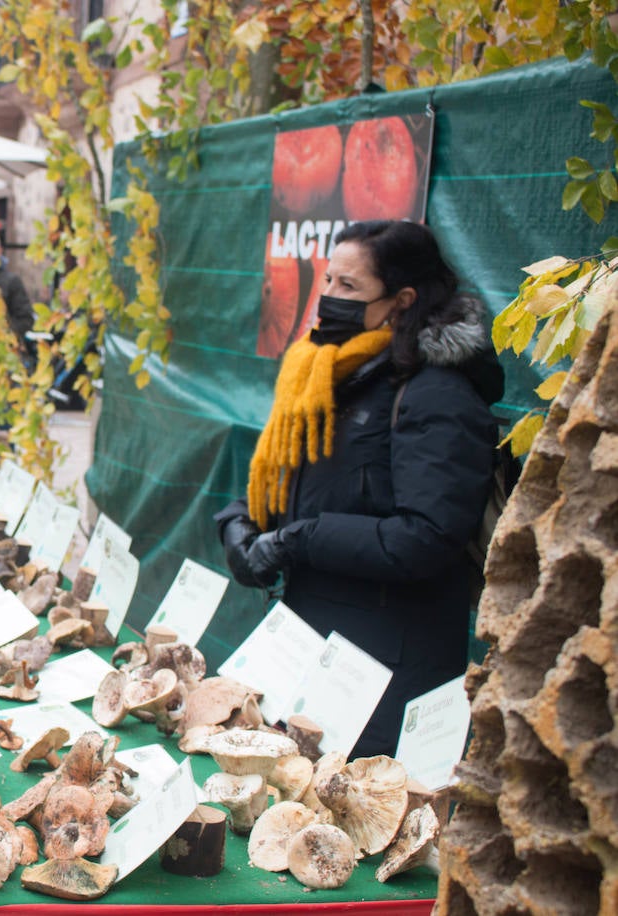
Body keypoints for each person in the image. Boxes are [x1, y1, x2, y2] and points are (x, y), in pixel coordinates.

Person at [215, 220, 502, 759]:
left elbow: (428, 537)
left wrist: (298, 540)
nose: (327, 297)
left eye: (349, 287)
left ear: (403, 299)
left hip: (384, 677)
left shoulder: (439, 394)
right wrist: (239, 527)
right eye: (327, 280)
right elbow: (290, 490)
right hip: (307, 649)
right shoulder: (327, 374)